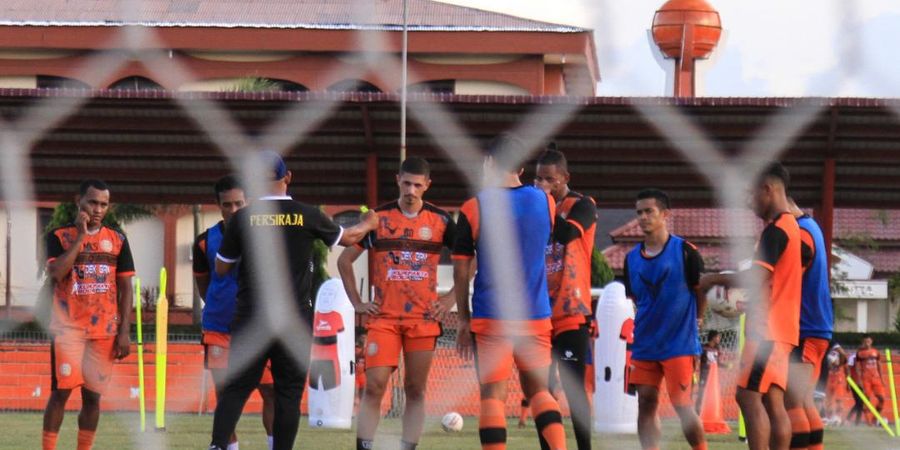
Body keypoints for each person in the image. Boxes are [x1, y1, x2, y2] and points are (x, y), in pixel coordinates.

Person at [208, 151, 378, 450]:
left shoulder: (242, 218)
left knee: (236, 388)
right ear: (288, 177)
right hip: (293, 319)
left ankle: (218, 445)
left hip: (251, 317)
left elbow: (222, 267)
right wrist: (368, 223)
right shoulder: (307, 214)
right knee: (288, 391)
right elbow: (350, 238)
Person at [453, 134, 567, 450]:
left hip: (492, 316)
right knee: (540, 392)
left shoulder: (474, 207)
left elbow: (461, 270)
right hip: (534, 314)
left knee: (492, 395)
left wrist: (463, 319)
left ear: (489, 163)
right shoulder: (546, 201)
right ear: (520, 166)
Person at [336, 156, 457, 450]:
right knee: (375, 386)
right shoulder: (378, 218)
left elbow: (471, 259)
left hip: (424, 319)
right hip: (384, 320)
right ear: (397, 180)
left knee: (415, 390)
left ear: (427, 185)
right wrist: (358, 303)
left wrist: (451, 298)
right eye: (406, 183)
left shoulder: (440, 221)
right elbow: (344, 261)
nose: (411, 190)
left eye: (418, 185)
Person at [699, 162, 802, 450]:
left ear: (767, 189)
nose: (748, 202)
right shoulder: (791, 227)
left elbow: (755, 276)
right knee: (771, 399)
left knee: (747, 395)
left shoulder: (777, 229)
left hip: (768, 330)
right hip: (782, 330)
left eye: (750, 194)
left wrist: (713, 279)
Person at [42, 179, 135, 450]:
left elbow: (126, 286)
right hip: (67, 330)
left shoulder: (117, 239)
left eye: (103, 204)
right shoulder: (58, 236)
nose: (97, 209)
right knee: (60, 393)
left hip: (104, 332)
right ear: (78, 201)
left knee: (93, 398)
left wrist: (124, 331)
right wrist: (81, 237)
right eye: (92, 202)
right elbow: (57, 273)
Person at [192, 175, 275, 450]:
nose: (234, 210)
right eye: (227, 205)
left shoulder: (267, 237)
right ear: (218, 206)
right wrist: (221, 306)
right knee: (225, 393)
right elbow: (204, 285)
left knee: (270, 391)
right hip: (219, 328)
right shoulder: (205, 242)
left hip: (259, 329)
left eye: (239, 203)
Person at [623, 188, 707, 450]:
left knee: (682, 405)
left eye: (649, 211)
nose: (643, 217)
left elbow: (700, 289)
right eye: (639, 212)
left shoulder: (685, 251)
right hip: (645, 344)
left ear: (665, 214)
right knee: (645, 402)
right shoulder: (630, 259)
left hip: (679, 344)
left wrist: (698, 319)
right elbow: (636, 299)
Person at [534, 146, 597, 450]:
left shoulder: (583, 205)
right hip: (538, 312)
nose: (543, 184)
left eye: (549, 179)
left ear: (565, 178)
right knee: (542, 390)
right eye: (538, 179)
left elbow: (566, 235)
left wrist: (542, 201)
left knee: (574, 389)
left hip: (571, 310)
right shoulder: (534, 207)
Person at [784, 199, 831, 450]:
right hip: (816, 328)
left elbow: (791, 276)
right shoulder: (812, 226)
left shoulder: (800, 232)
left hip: (805, 328)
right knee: (804, 401)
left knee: (792, 403)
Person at [855, 335, 886, 424]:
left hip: (876, 378)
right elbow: (857, 367)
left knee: (882, 398)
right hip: (866, 379)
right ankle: (868, 421)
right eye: (865, 342)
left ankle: (875, 418)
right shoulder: (860, 353)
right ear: (863, 342)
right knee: (866, 400)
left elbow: (879, 365)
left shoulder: (876, 352)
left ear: (871, 341)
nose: (867, 343)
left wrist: (882, 378)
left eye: (868, 341)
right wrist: (859, 380)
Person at [695, 330, 722, 413]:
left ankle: (710, 411)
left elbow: (717, 362)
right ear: (713, 337)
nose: (719, 339)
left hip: (713, 376)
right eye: (718, 337)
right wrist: (695, 370)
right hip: (704, 374)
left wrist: (726, 365)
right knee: (701, 392)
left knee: (713, 394)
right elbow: (697, 359)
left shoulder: (717, 348)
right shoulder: (703, 347)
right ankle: (697, 412)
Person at [824, 344, 849, 425]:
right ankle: (828, 418)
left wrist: (848, 382)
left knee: (839, 400)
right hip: (827, 378)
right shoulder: (825, 352)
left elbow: (846, 366)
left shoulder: (839, 353)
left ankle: (839, 418)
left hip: (838, 379)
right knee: (828, 401)